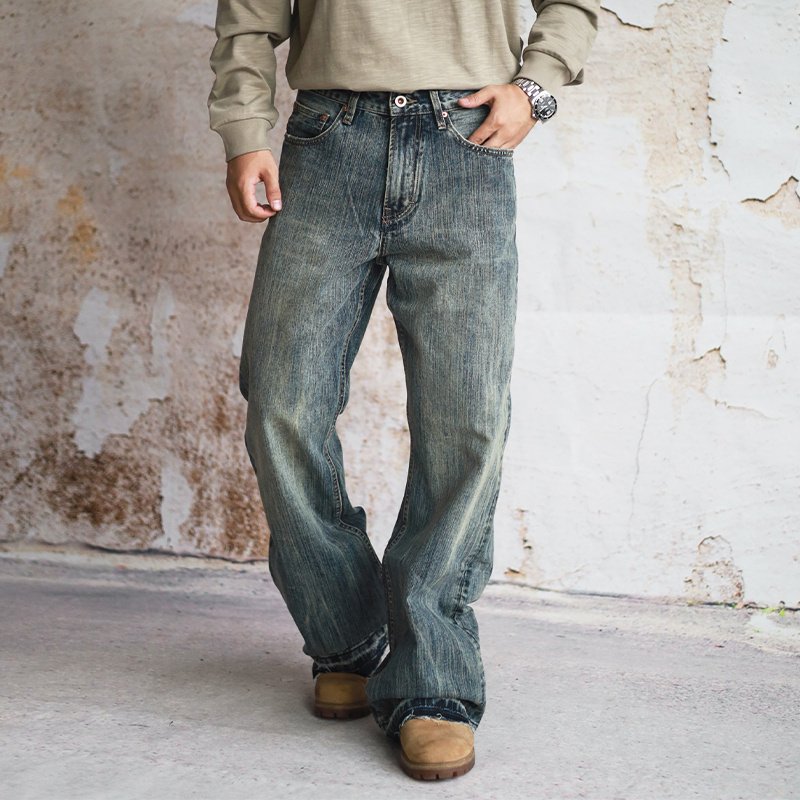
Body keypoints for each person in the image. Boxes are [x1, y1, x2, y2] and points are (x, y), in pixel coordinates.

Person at [208, 0, 599, 781]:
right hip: (328, 138)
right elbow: (248, 19)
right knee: (283, 401)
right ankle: (347, 637)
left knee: (466, 418)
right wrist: (245, 132)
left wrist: (536, 87)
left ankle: (433, 679)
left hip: (467, 140)